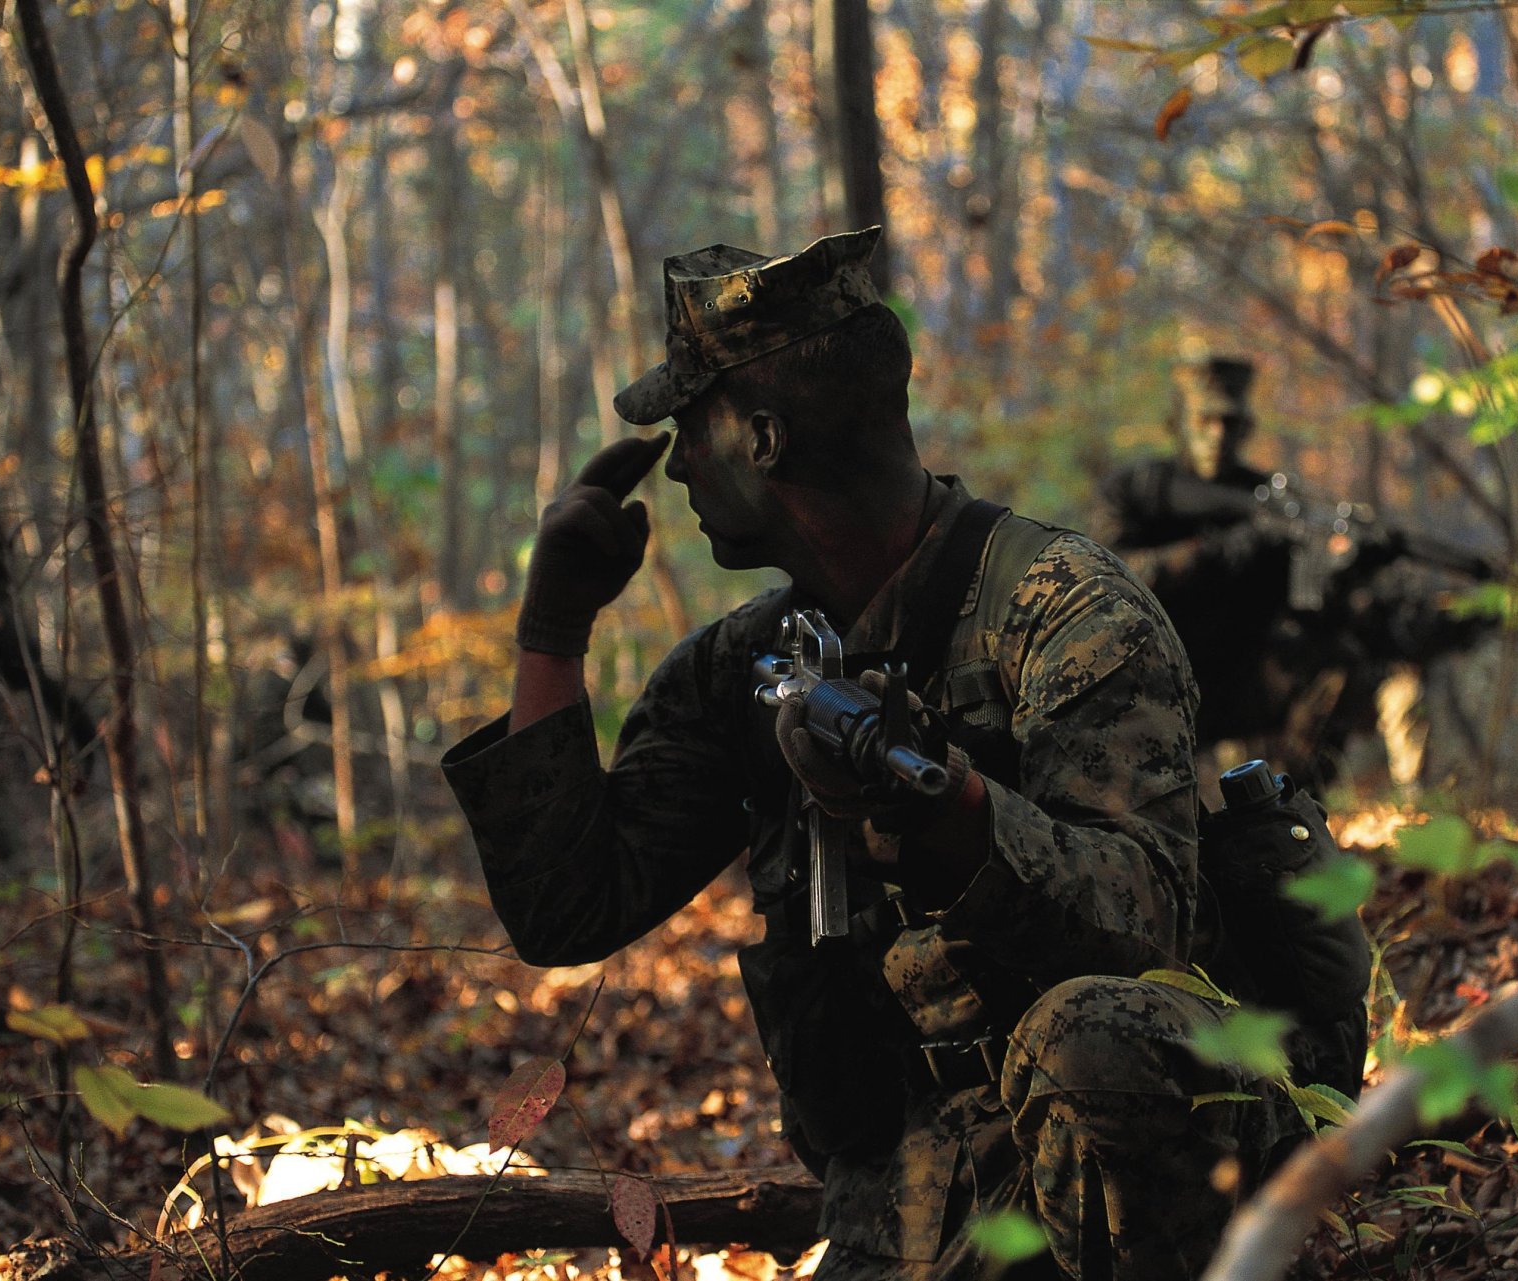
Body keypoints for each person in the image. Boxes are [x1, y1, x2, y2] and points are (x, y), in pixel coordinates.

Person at [442, 229, 1294, 1279]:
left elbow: (1150, 910)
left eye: (691, 430)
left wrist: (956, 821)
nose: (679, 469)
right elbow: (568, 907)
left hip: (1139, 1175)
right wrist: (553, 630)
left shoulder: (1064, 613)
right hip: (907, 1218)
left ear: (764, 439)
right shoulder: (745, 669)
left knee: (1092, 1040)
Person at [1093, 357, 1492, 796]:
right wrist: (1222, 550)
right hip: (1150, 683)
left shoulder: (1271, 503)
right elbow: (1110, 580)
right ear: (1178, 424)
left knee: (1338, 668)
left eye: (1230, 423)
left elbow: (1316, 615)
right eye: (1205, 420)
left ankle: (1297, 814)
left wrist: (1346, 571)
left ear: (1246, 429)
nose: (1217, 436)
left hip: (1241, 687)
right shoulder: (1138, 492)